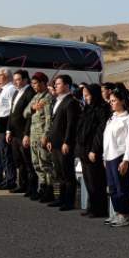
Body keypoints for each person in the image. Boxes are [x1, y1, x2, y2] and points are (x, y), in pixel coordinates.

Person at [103, 87, 129, 226]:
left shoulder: (128, 119)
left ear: (122, 101)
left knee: (121, 186)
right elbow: (106, 139)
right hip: (109, 156)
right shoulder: (112, 117)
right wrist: (104, 156)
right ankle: (117, 212)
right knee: (112, 187)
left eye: (114, 100)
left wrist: (126, 160)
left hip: (120, 156)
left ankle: (123, 215)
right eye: (110, 101)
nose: (111, 103)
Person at [45, 74, 80, 211]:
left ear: (66, 85)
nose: (55, 86)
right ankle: (60, 198)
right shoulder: (57, 100)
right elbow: (53, 123)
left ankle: (69, 201)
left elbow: (71, 124)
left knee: (67, 173)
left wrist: (67, 142)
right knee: (58, 173)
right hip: (55, 143)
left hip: (64, 144)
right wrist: (50, 139)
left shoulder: (71, 102)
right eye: (55, 84)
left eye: (58, 84)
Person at [77, 84, 111, 217]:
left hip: (94, 149)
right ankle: (92, 206)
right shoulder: (87, 108)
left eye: (88, 95)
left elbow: (100, 131)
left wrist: (94, 149)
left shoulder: (102, 108)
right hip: (84, 149)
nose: (85, 98)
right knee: (88, 180)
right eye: (84, 96)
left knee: (96, 180)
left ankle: (99, 209)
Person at [24, 72, 55, 202]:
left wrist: (46, 135)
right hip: (34, 135)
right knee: (36, 164)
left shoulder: (48, 98)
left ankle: (50, 190)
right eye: (32, 83)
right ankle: (42, 187)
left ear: (43, 83)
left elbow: (49, 119)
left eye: (36, 83)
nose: (33, 86)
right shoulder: (35, 97)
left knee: (45, 164)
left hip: (42, 135)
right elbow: (25, 113)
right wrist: (32, 107)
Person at [7, 70, 34, 194]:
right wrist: (8, 130)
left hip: (23, 133)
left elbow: (30, 117)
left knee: (27, 162)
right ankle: (22, 185)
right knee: (19, 161)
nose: (15, 82)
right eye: (14, 80)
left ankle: (31, 187)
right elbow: (11, 113)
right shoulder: (16, 92)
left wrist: (27, 134)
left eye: (18, 79)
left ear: (25, 80)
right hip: (15, 134)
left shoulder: (30, 93)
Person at [0, 68, 17, 189]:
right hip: (0, 122)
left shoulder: (11, 89)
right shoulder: (3, 89)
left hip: (5, 122)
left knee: (7, 153)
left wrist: (8, 128)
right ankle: (7, 177)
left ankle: (11, 180)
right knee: (3, 153)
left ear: (6, 76)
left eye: (0, 75)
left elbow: (11, 109)